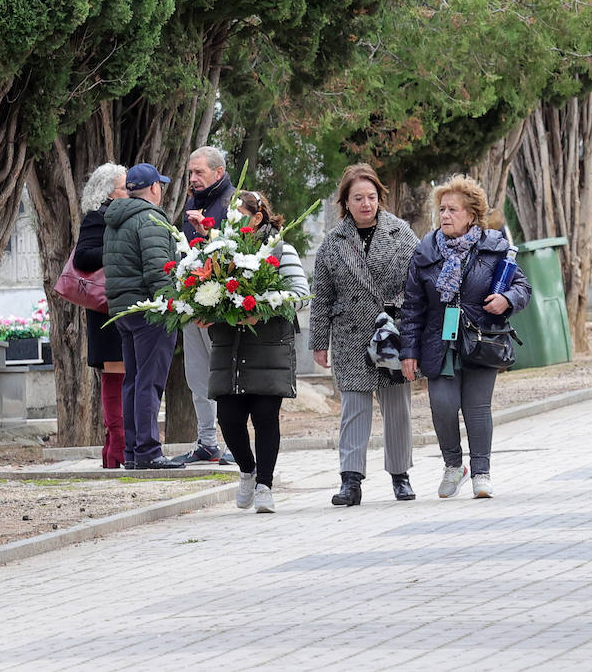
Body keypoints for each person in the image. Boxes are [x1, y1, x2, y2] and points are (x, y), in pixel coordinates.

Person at [401, 175, 531, 498]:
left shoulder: (495, 248)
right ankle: (454, 465)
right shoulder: (425, 251)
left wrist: (507, 300)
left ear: (472, 215)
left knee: (476, 408)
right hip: (439, 341)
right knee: (442, 406)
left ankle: (482, 473)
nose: (445, 215)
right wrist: (408, 351)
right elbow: (413, 306)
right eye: (442, 209)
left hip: (481, 338)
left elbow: (523, 288)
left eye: (453, 210)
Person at [310, 164, 421, 506]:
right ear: (345, 201)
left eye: (371, 197)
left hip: (391, 332)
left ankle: (400, 476)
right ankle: (351, 480)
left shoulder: (401, 234)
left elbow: (419, 288)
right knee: (354, 408)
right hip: (350, 333)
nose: (366, 204)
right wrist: (318, 342)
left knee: (397, 407)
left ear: (379, 198)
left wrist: (413, 335)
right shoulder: (333, 241)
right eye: (358, 198)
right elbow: (323, 294)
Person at [201, 191, 309, 513]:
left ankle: (265, 485)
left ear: (257, 217)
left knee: (264, 416)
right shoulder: (219, 253)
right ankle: (246, 470)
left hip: (268, 349)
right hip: (229, 349)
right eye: (228, 216)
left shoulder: (280, 249)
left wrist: (261, 309)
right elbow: (201, 287)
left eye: (239, 214)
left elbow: (301, 296)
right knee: (229, 419)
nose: (231, 221)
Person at [103, 163, 185, 469]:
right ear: (153, 188)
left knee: (133, 381)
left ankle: (134, 452)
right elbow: (158, 270)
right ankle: (149, 451)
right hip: (150, 310)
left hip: (124, 310)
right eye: (160, 185)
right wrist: (173, 307)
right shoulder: (150, 218)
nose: (161, 190)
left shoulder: (116, 219)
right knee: (149, 382)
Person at [171, 146, 233, 465]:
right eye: (190, 173)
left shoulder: (232, 202)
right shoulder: (192, 203)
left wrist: (209, 231)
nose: (192, 178)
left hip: (221, 308)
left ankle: (236, 442)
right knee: (197, 376)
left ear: (218, 173)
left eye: (199, 172)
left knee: (227, 376)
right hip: (192, 303)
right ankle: (207, 442)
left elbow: (238, 251)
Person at [72, 163, 129, 468]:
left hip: (119, 306)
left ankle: (114, 449)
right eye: (124, 187)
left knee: (123, 378)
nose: (129, 192)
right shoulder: (97, 218)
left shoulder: (123, 216)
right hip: (105, 311)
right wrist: (116, 247)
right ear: (109, 192)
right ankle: (117, 446)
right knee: (114, 378)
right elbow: (83, 256)